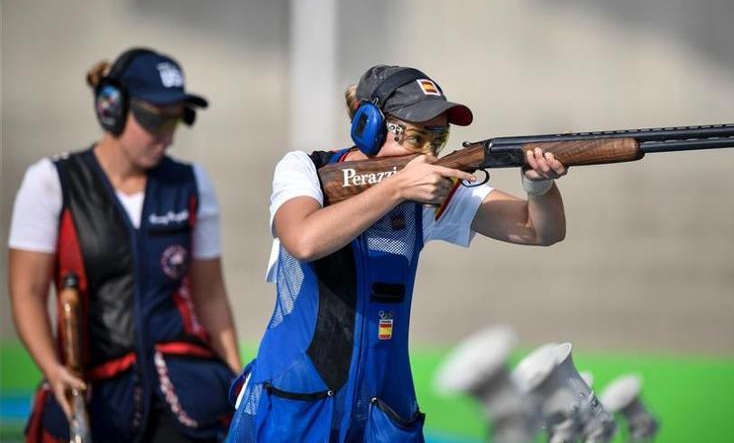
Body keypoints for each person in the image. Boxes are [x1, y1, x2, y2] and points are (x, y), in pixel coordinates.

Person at [226, 65, 567, 442]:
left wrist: (540, 187)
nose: (429, 152)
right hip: (294, 413)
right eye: (418, 136)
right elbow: (303, 239)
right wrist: (398, 188)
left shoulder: (431, 191)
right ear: (368, 125)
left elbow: (540, 230)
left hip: (382, 416)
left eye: (439, 138)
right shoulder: (306, 169)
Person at [8, 48, 242, 443]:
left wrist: (237, 388)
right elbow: (26, 293)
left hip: (184, 386)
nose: (167, 135)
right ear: (110, 108)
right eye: (155, 119)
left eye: (176, 120)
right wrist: (53, 369)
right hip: (95, 390)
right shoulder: (50, 182)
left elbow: (211, 295)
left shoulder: (193, 184)